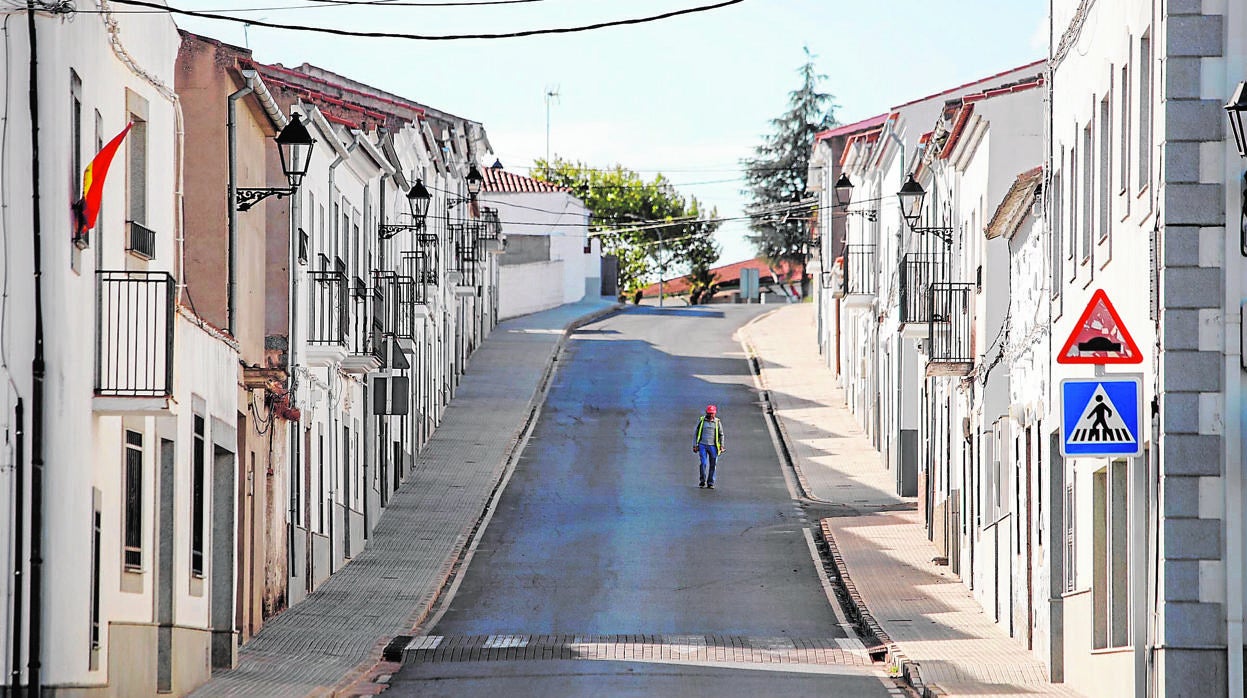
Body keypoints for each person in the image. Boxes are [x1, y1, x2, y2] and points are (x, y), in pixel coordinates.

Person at [693, 404, 725, 489]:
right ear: (706, 412)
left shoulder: (717, 422)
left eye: (712, 413)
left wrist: (721, 446)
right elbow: (696, 433)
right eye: (709, 413)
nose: (711, 415)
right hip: (702, 445)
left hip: (713, 446)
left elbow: (721, 434)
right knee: (703, 463)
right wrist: (695, 445)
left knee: (713, 464)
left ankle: (710, 482)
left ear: (715, 413)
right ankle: (702, 480)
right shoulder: (702, 421)